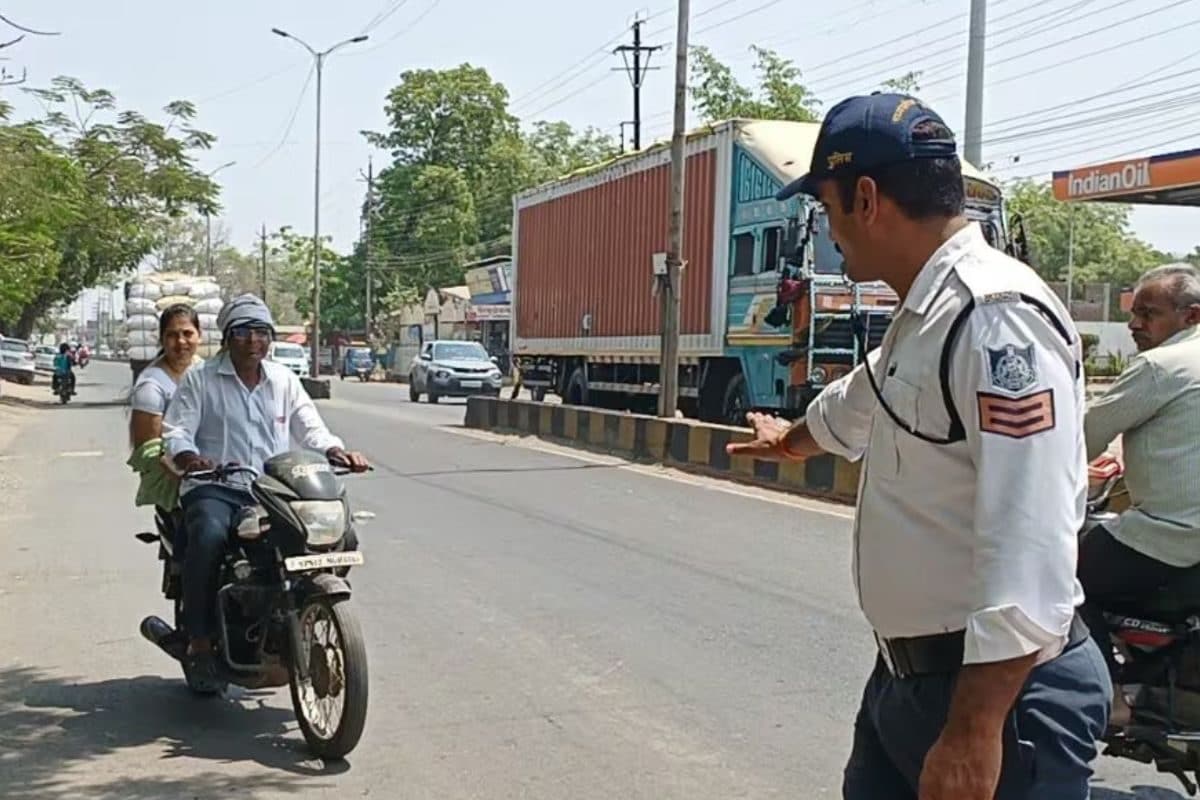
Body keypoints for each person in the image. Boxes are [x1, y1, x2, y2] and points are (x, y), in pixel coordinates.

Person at [728, 94, 1110, 799]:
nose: (831, 230)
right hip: (914, 681)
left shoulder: (993, 317)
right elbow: (864, 403)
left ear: (866, 198)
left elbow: (1032, 538)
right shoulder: (927, 311)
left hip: (997, 699)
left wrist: (973, 731)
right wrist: (792, 439)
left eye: (827, 207)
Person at [163, 294, 370, 682]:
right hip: (217, 486)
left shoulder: (283, 379)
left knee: (342, 535)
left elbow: (310, 427)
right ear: (227, 337)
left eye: (261, 332)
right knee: (207, 535)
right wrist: (191, 458)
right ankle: (201, 639)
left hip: (273, 489)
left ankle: (303, 607)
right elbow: (177, 430)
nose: (253, 341)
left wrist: (336, 450)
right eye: (243, 332)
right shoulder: (201, 379)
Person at [1078, 263, 1200, 727]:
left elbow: (1083, 433)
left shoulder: (1159, 366)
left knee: (1059, 575)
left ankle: (1107, 696)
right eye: (1134, 313)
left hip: (1171, 538)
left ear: (1191, 317)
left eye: (1148, 314)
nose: (1134, 325)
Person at [127, 304, 202, 510]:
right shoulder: (151, 386)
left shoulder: (205, 372)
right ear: (161, 339)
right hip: (177, 480)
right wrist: (183, 473)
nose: (181, 342)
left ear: (199, 336)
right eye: (172, 335)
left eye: (188, 334)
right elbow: (149, 450)